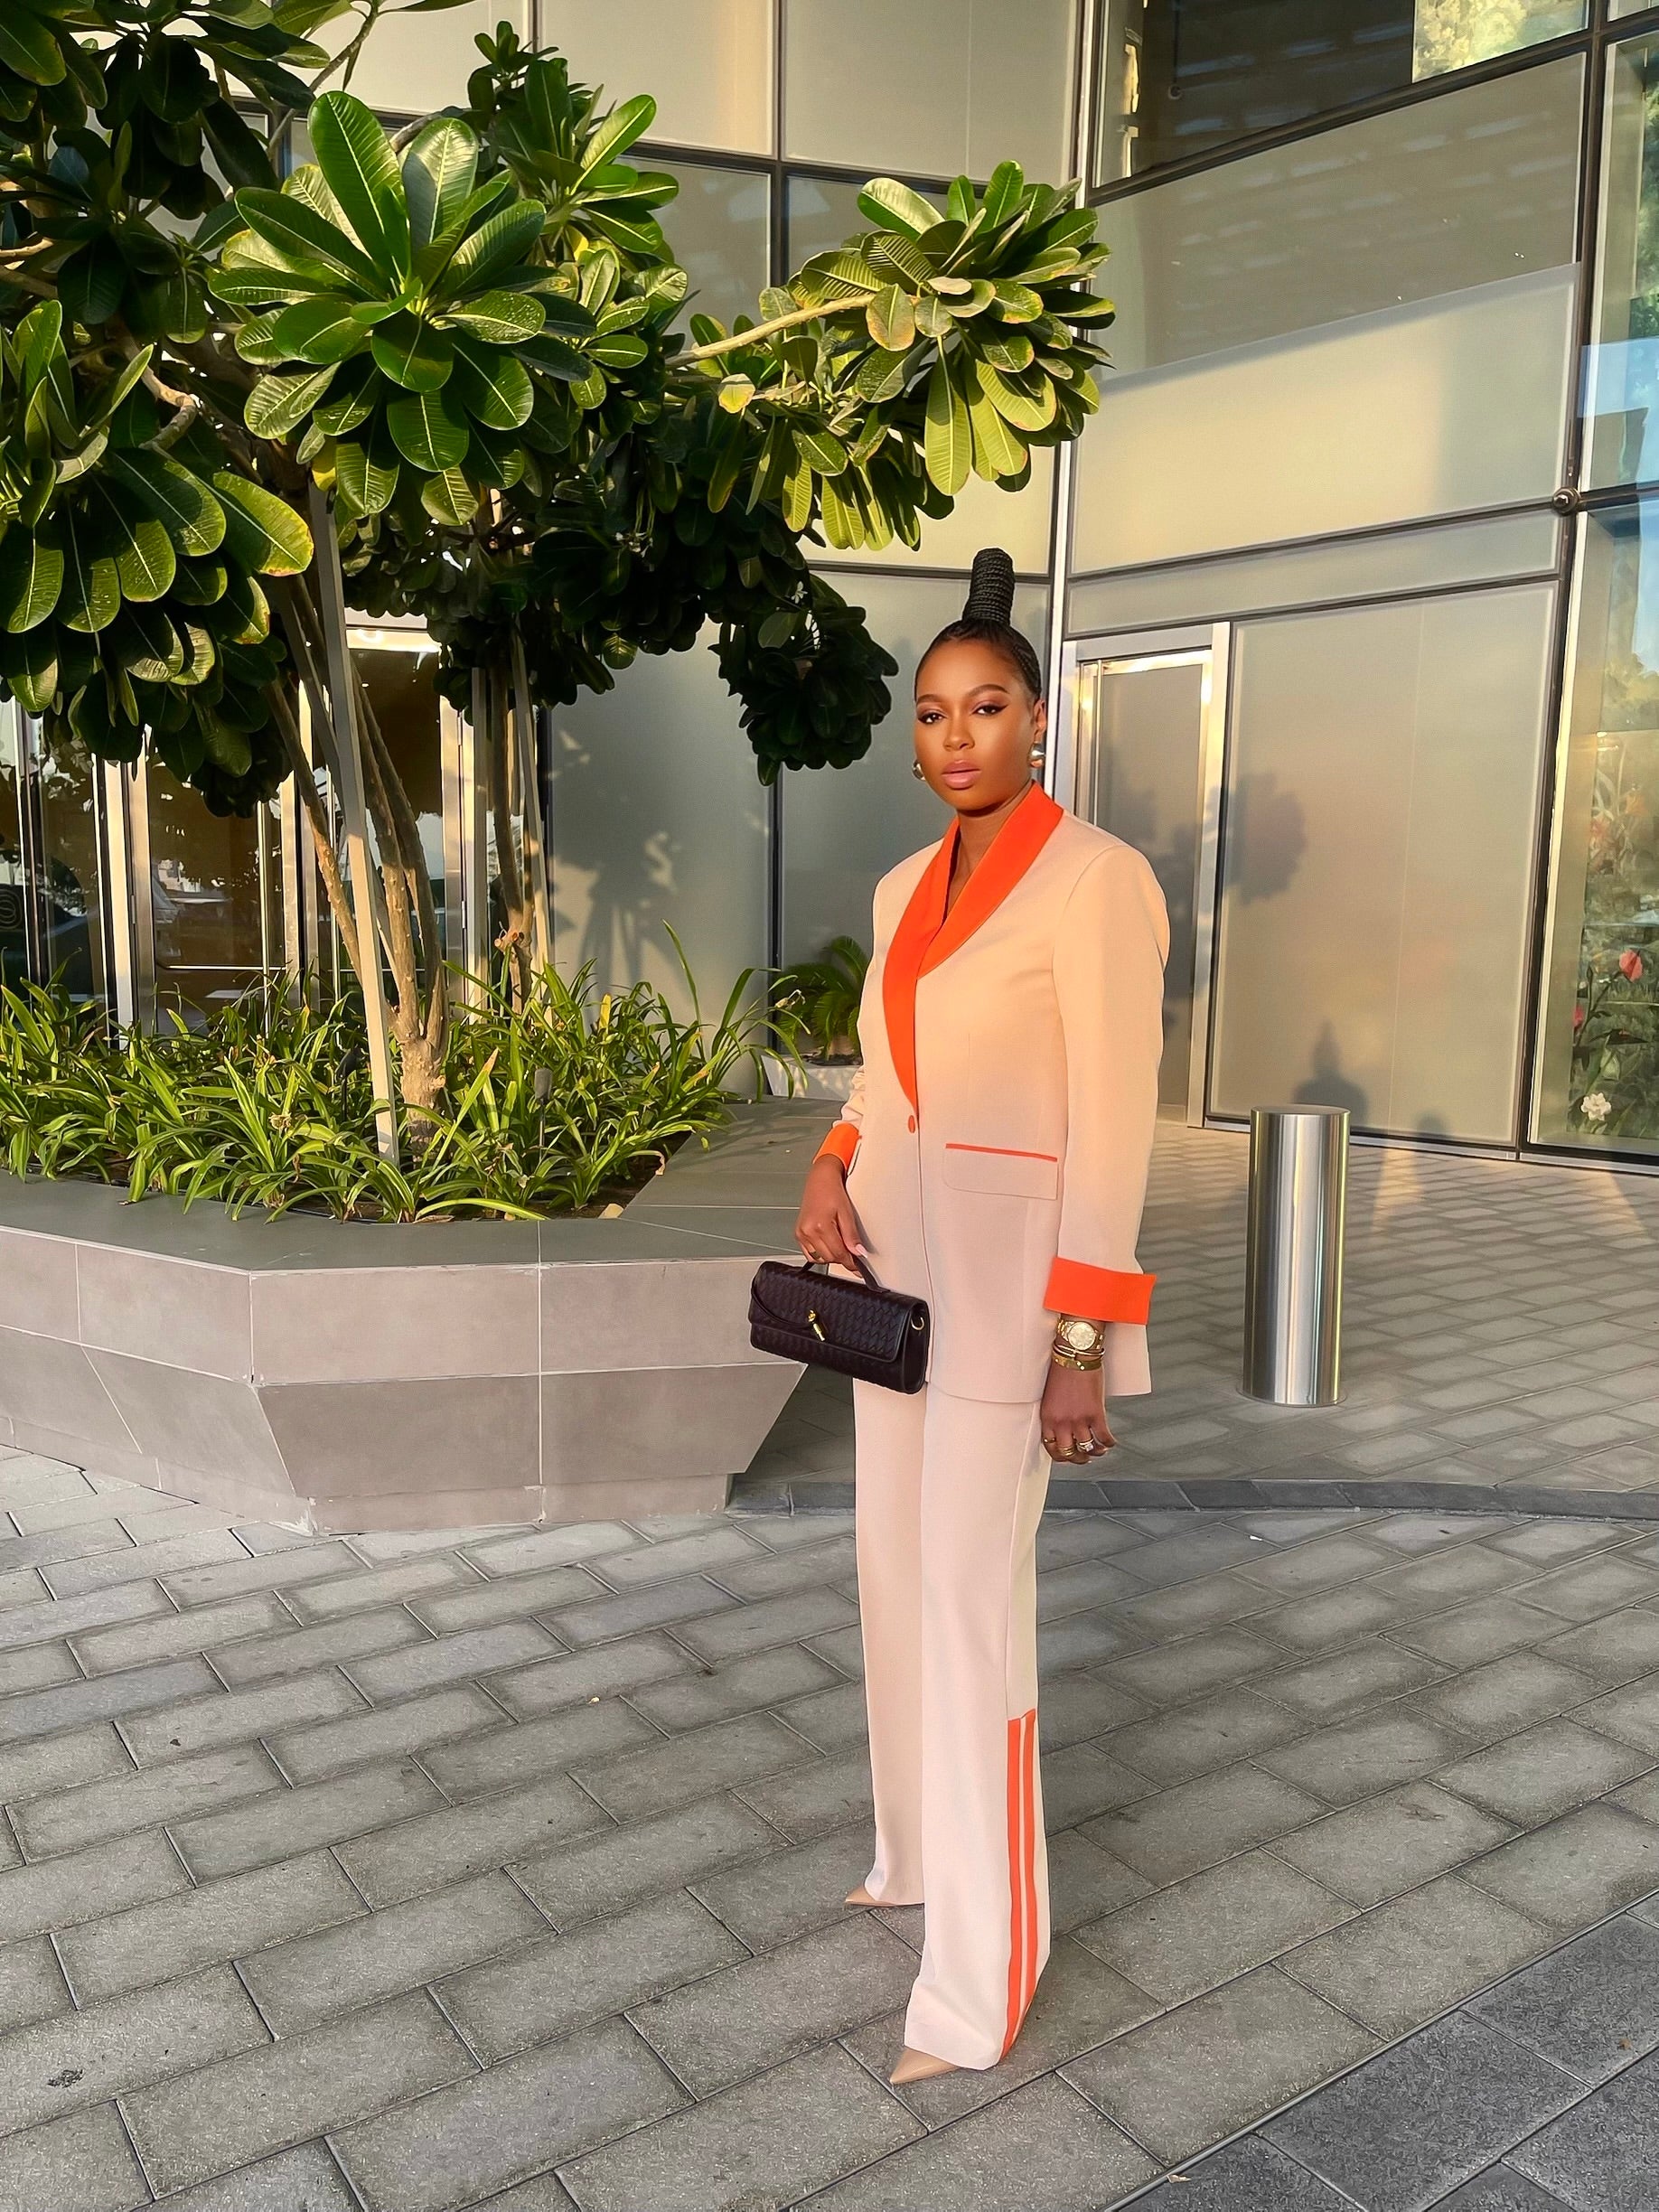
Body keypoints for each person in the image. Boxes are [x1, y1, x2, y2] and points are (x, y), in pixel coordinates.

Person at [793, 547, 1168, 2083]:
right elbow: (891, 1078)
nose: (958, 737)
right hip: (893, 1276)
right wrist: (831, 1165)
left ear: (1036, 724)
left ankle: (982, 1973)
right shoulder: (899, 888)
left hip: (1019, 1308)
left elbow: (1120, 1128)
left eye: (987, 707)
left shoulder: (1099, 881)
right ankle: (921, 1859)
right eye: (935, 714)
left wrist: (1082, 1347)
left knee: (967, 1601)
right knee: (893, 1578)